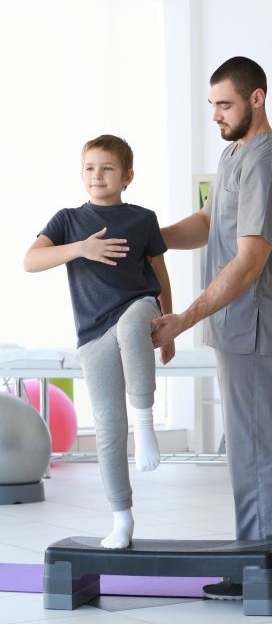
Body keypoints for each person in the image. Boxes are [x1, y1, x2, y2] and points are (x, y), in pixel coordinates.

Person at [152, 56, 272, 599]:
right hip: (233, 328)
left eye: (225, 104)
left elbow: (249, 261)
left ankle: (259, 573)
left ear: (256, 98)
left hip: (252, 327)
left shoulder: (268, 164)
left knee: (254, 452)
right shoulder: (233, 152)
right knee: (253, 446)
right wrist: (151, 235)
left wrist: (182, 320)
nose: (215, 114)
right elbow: (209, 223)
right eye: (212, 105)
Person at [24, 134, 174, 550]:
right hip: (93, 330)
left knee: (131, 327)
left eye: (107, 168)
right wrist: (81, 249)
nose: (97, 175)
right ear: (81, 173)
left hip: (140, 306)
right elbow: (31, 261)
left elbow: (160, 276)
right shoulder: (67, 220)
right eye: (90, 167)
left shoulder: (143, 218)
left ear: (127, 176)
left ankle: (145, 423)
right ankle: (122, 519)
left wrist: (170, 325)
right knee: (108, 425)